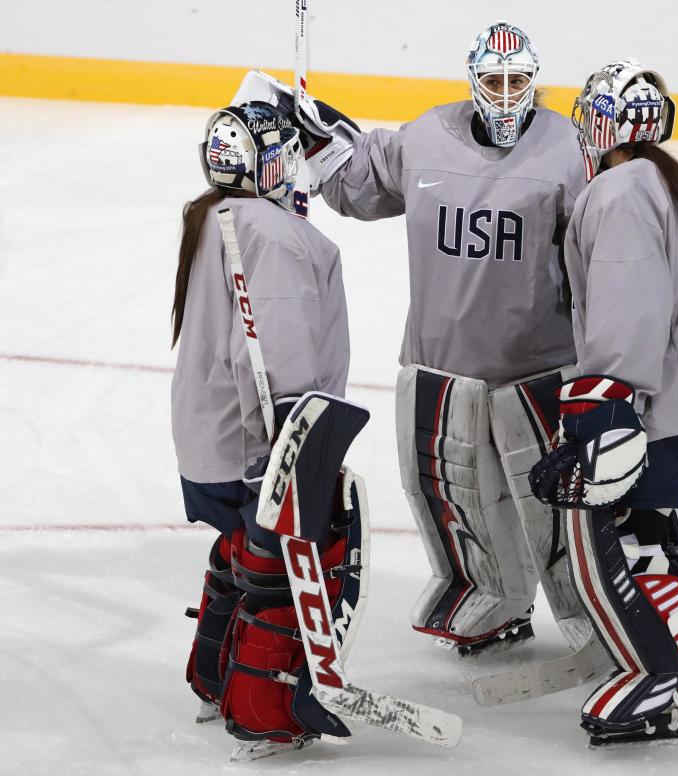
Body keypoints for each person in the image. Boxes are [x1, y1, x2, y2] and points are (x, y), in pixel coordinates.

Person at [232, 20, 592, 657]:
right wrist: (313, 139)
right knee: (450, 492)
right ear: (472, 79)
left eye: (517, 81)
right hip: (440, 362)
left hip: (540, 367)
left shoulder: (569, 148)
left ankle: (592, 612)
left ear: (534, 81)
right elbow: (358, 185)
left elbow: (607, 238)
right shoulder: (428, 136)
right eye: (493, 80)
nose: (506, 94)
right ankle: (491, 595)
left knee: (558, 504)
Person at [530, 59, 678, 746]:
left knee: (634, 539)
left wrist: (604, 404)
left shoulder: (623, 190)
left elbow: (631, 308)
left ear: (605, 122)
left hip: (654, 402)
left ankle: (660, 681)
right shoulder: (663, 179)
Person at [172, 101, 368, 761]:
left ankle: (212, 676)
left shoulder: (214, 214)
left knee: (242, 550)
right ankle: (264, 706)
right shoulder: (279, 236)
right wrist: (289, 446)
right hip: (258, 441)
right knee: (291, 562)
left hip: (209, 436)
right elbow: (277, 353)